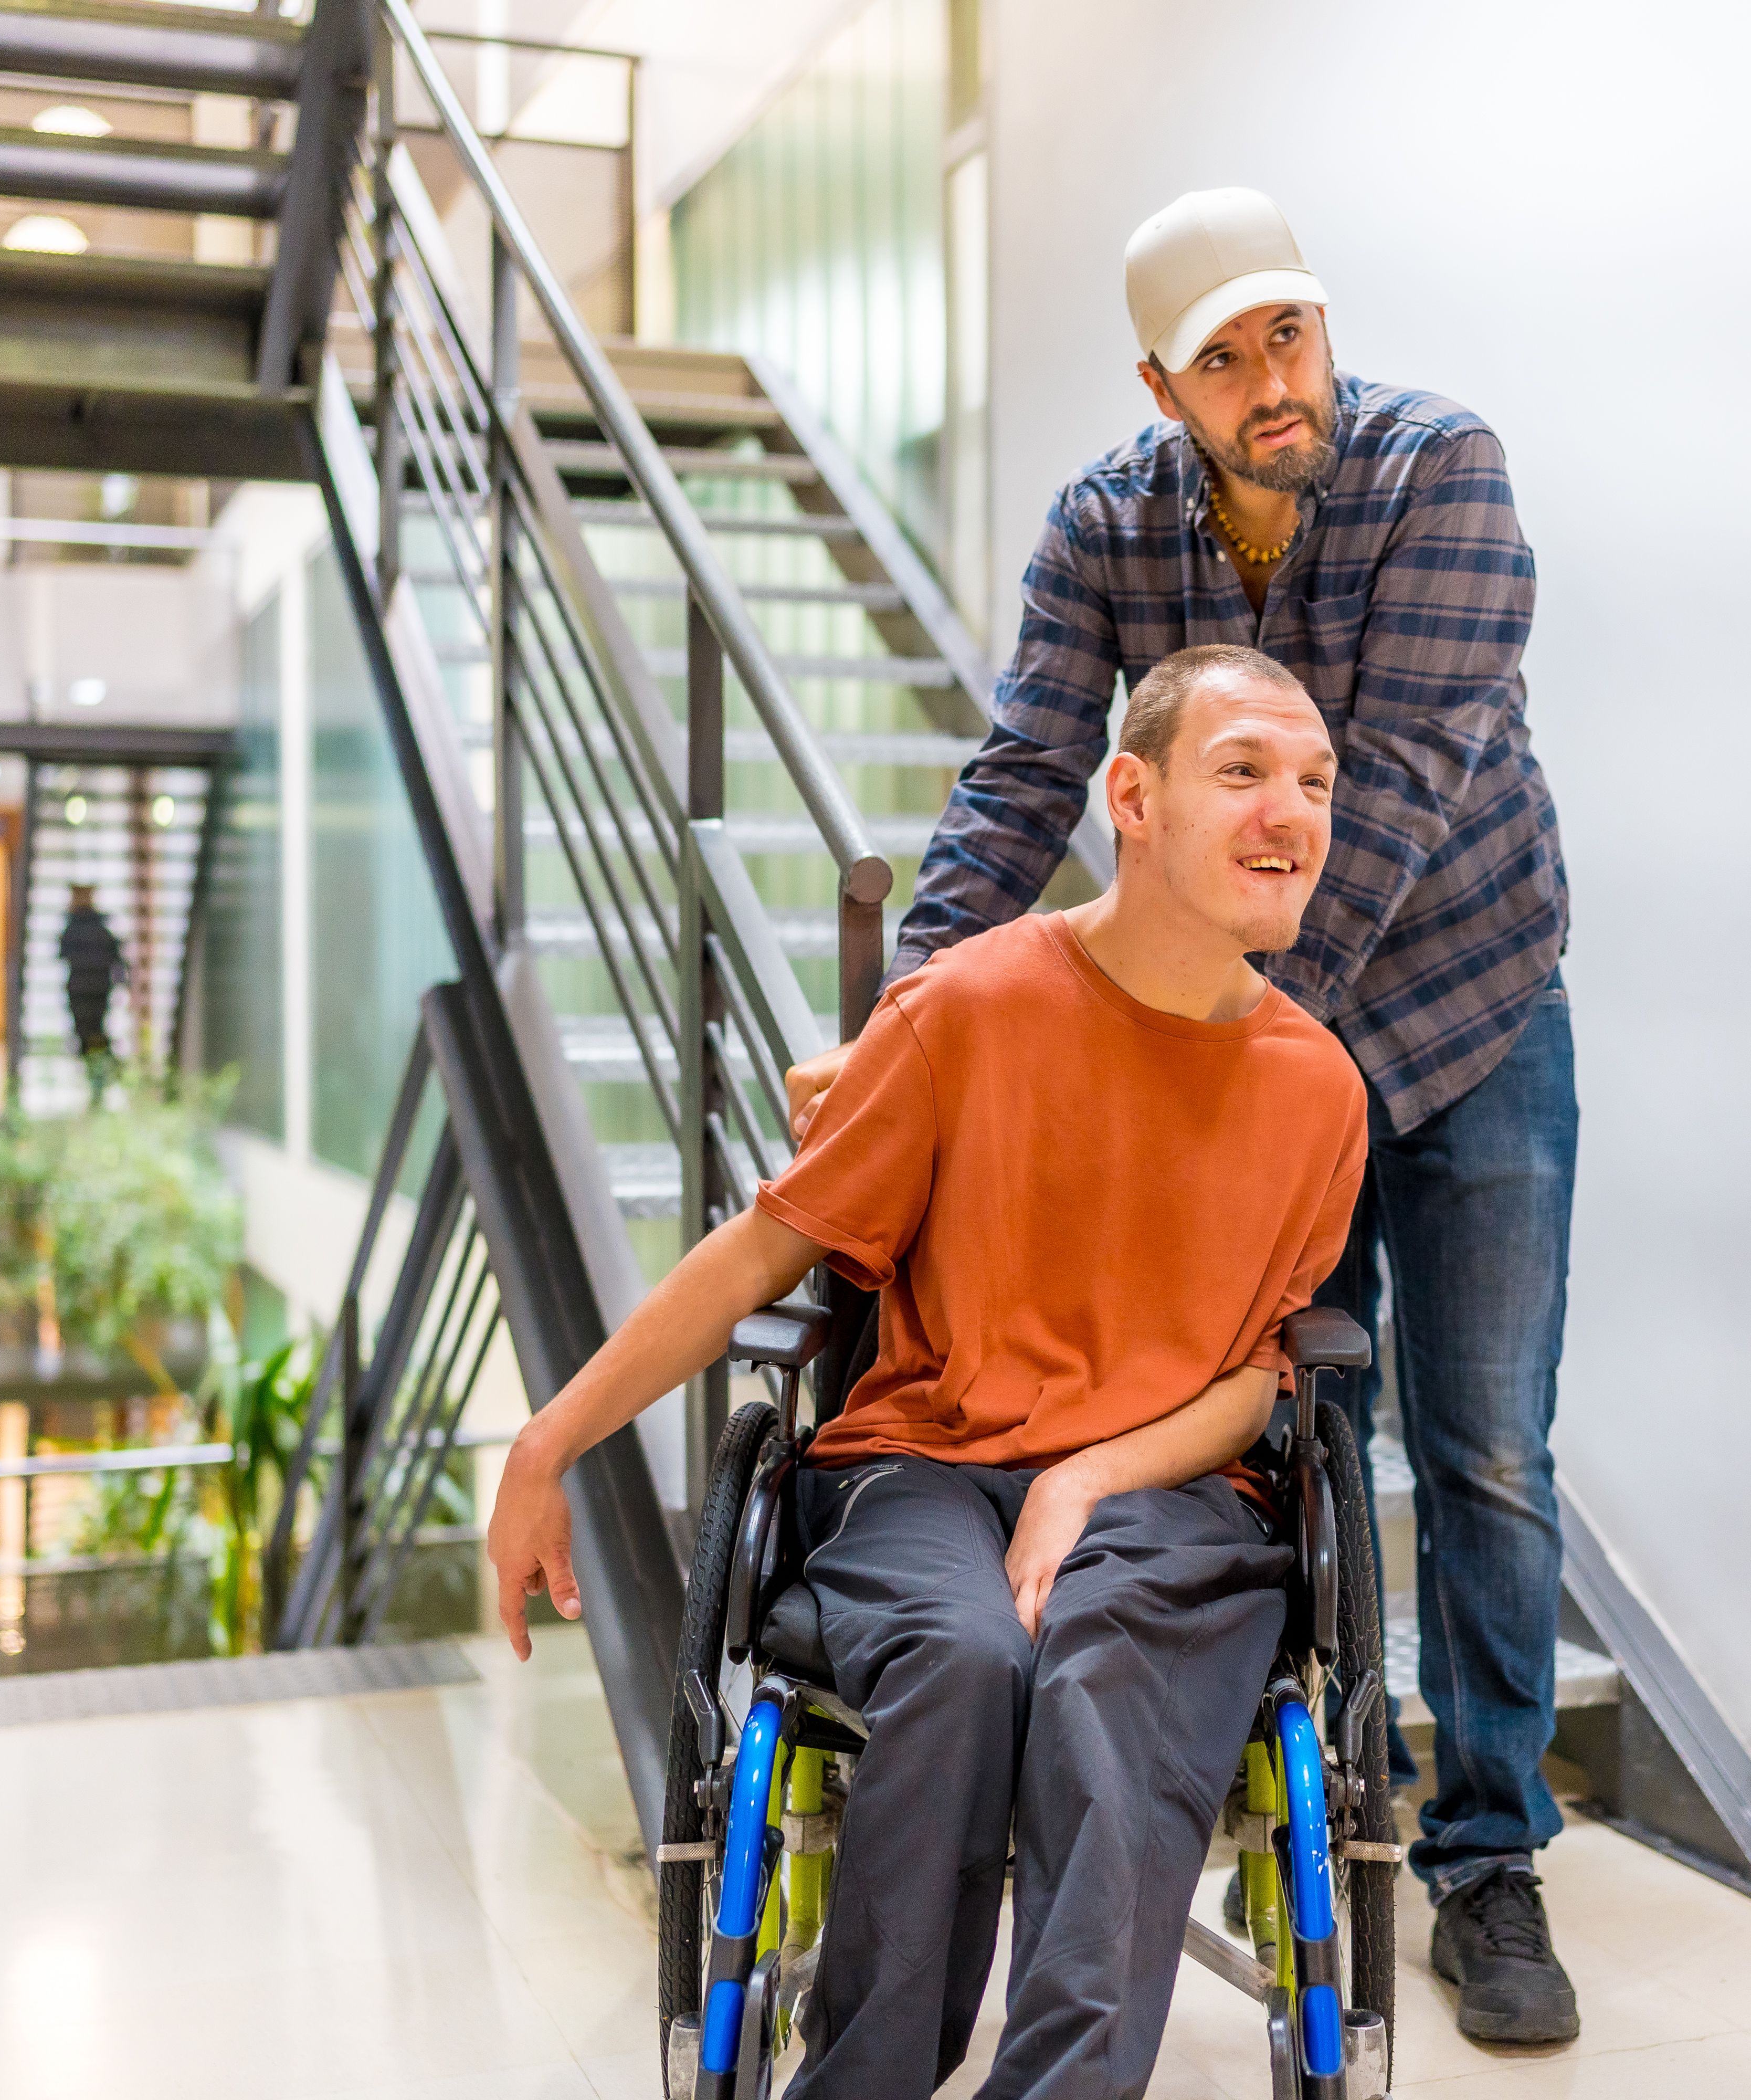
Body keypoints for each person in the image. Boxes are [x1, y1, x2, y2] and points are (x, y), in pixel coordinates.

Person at [783, 187, 1580, 2044]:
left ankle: (1490, 1861)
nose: (1271, 380)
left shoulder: (1439, 472)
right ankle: (1296, 1764)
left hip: (1465, 1017)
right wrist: (916, 1025)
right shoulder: (1105, 528)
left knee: (1487, 1454)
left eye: (1288, 333)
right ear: (1167, 387)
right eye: (1224, 359)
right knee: (1278, 1412)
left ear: (1323, 324)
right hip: (1247, 1047)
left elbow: (1372, 812)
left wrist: (1154, 1055)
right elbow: (1019, 785)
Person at [491, 646, 1368, 2099]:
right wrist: (548, 1443)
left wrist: (1083, 1479)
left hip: (1168, 1488)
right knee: (963, 1662)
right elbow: (762, 1253)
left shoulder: (1316, 1087)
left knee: (1100, 1688)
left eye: (1317, 784)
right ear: (1132, 798)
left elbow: (1256, 1379)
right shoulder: (966, 1010)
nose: (1291, 814)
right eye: (1245, 773)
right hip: (921, 1472)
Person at [58, 884, 123, 1070]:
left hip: (88, 987)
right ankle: (96, 1065)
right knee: (91, 1028)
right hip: (92, 987)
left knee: (90, 1028)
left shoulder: (78, 927)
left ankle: (97, 1066)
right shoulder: (93, 927)